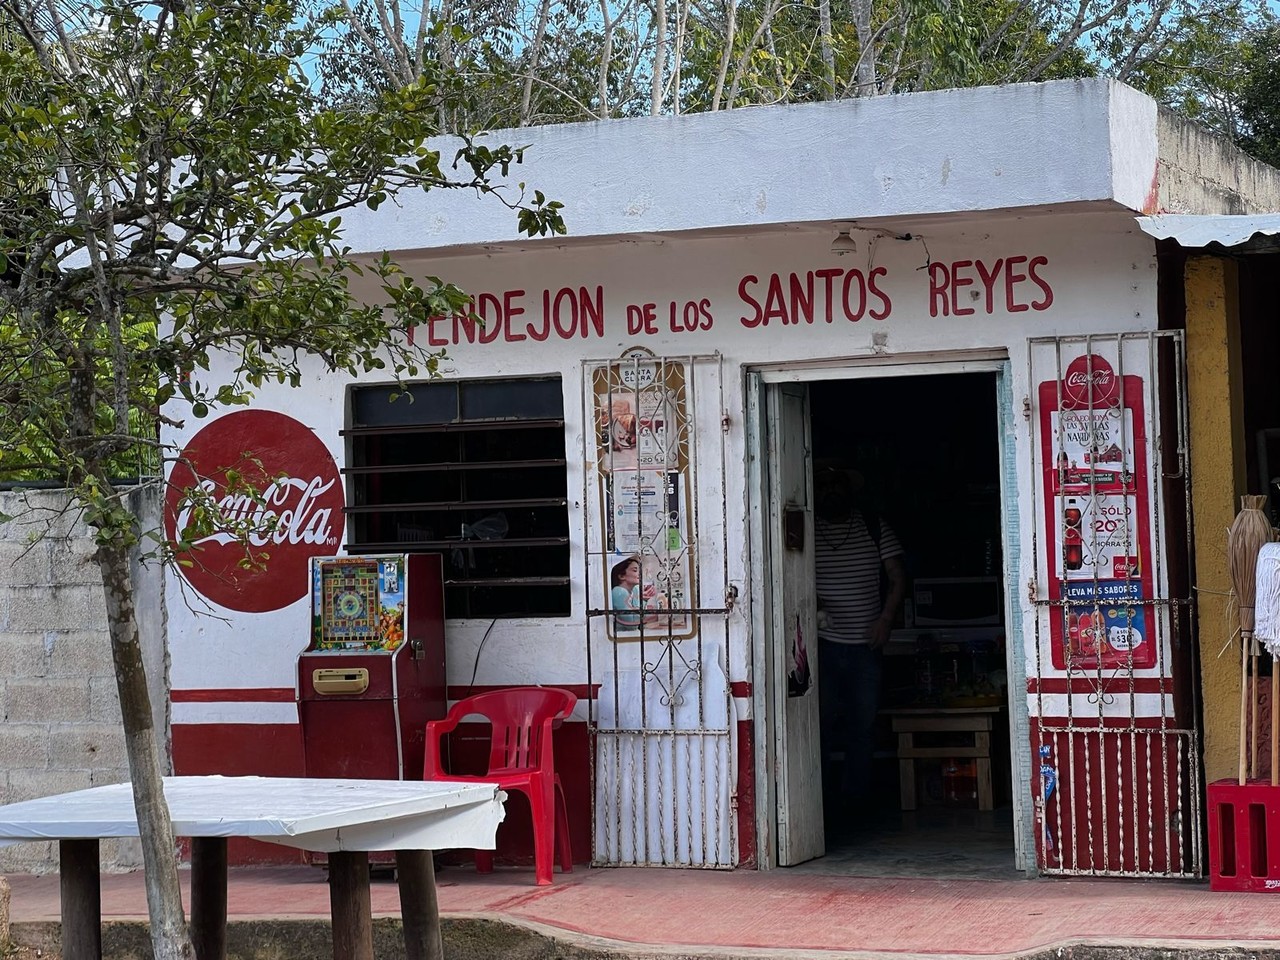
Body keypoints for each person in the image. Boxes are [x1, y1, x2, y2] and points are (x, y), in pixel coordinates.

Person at [813, 466, 907, 812]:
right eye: (823, 486)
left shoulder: (872, 526)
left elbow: (897, 577)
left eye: (836, 484)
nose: (830, 491)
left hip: (866, 647)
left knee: (862, 726)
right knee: (817, 727)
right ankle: (817, 804)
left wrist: (885, 620)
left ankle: (856, 802)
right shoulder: (806, 529)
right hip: (822, 644)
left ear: (848, 489)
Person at [610, 555, 663, 631]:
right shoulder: (619, 592)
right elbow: (632, 625)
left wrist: (643, 600)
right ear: (622, 576)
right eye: (635, 571)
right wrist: (641, 600)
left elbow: (640, 619)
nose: (639, 574)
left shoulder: (634, 590)